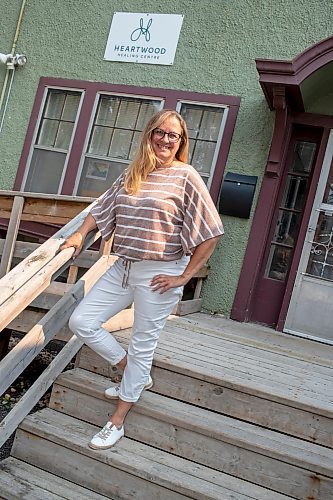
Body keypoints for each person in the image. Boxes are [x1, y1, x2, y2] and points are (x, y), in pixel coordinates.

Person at [60, 109, 224, 450]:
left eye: (173, 136)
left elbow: (212, 230)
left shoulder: (186, 176)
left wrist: (185, 276)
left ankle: (116, 421)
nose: (165, 139)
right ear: (150, 134)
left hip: (159, 274)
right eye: (160, 132)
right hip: (123, 266)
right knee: (81, 321)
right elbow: (101, 208)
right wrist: (79, 235)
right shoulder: (134, 171)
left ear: (181, 142)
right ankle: (130, 370)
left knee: (142, 344)